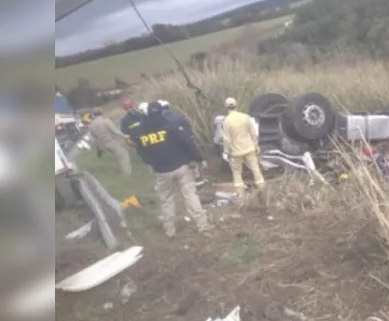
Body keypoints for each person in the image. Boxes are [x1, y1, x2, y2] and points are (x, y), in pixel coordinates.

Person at [130, 101, 212, 237]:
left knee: (166, 199)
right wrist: (198, 158)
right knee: (190, 195)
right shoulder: (170, 126)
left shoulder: (142, 133)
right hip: (181, 167)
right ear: (162, 111)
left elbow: (140, 151)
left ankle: (169, 229)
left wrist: (150, 162)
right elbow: (187, 143)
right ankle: (202, 224)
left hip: (162, 171)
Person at [220, 97, 265, 191]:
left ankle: (240, 194)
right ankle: (262, 190)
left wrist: (226, 152)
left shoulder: (227, 121)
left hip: (235, 152)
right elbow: (253, 133)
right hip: (249, 148)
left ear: (226, 107)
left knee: (236, 173)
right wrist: (256, 145)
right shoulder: (245, 117)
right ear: (236, 105)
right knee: (255, 169)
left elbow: (226, 139)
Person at [87, 108, 132, 175]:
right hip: (112, 142)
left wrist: (98, 147)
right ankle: (127, 173)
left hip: (103, 145)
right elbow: (115, 131)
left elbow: (93, 137)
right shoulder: (106, 121)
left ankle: (122, 171)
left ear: (94, 116)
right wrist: (124, 136)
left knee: (117, 157)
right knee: (123, 155)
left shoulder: (91, 125)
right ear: (102, 114)